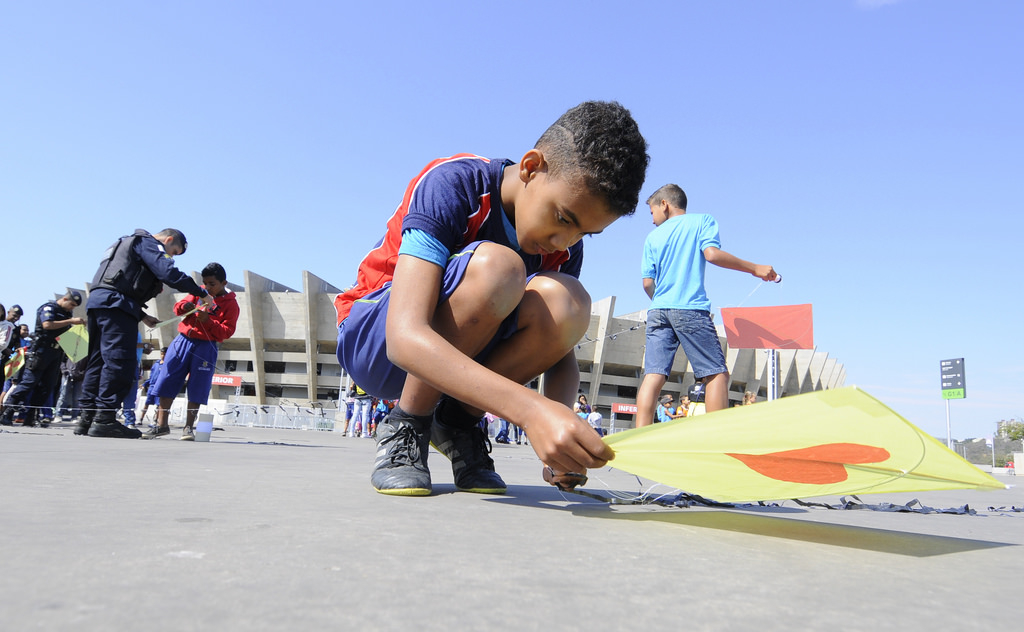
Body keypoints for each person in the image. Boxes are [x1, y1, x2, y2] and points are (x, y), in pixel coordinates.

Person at [334, 100, 648, 496]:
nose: (565, 241)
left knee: (569, 301)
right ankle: (407, 424)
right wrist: (531, 412)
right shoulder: (455, 183)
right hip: (375, 342)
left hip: (455, 366)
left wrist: (562, 441)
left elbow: (559, 348)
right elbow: (403, 336)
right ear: (532, 167)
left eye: (586, 233)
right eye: (565, 219)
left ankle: (457, 423)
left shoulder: (564, 248)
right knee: (500, 268)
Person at [635, 184, 778, 427]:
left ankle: (638, 439)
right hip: (690, 307)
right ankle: (716, 440)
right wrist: (755, 268)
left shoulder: (652, 238)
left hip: (658, 310)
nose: (651, 220)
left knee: (653, 375)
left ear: (665, 205)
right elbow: (711, 254)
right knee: (717, 373)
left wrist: (663, 302)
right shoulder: (702, 221)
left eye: (651, 212)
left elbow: (648, 283)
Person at [77, 228, 213, 439]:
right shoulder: (149, 244)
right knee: (118, 361)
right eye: (174, 252)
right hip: (117, 306)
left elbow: (116, 282)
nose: (171, 256)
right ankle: (104, 419)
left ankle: (86, 418)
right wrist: (201, 293)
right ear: (168, 240)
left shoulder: (124, 243)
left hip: (99, 303)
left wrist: (141, 316)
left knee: (97, 362)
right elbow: (168, 273)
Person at [147, 262, 239, 440]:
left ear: (224, 283)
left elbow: (226, 332)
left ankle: (188, 428)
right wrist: (185, 308)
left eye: (212, 284)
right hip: (183, 341)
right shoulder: (198, 292)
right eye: (205, 283)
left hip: (207, 346)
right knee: (167, 378)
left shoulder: (231, 305)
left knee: (198, 385)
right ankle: (161, 425)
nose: (208, 288)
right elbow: (177, 307)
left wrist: (208, 321)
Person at [1, 291, 85, 427]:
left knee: (46, 386)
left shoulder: (66, 313)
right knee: (29, 382)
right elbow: (47, 325)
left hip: (56, 352)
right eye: (72, 304)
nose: (72, 308)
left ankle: (31, 417)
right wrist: (71, 321)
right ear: (64, 299)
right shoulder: (49, 308)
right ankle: (7, 412)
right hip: (41, 351)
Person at [138, 346, 167, 424]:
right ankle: (140, 418)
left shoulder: (167, 365)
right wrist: (145, 384)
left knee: (158, 405)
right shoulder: (156, 364)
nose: (163, 356)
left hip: (160, 387)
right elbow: (151, 376)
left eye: (164, 354)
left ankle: (155, 420)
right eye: (161, 354)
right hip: (152, 386)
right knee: (147, 403)